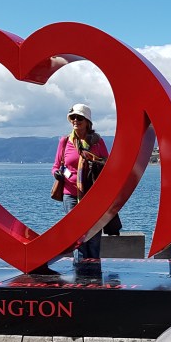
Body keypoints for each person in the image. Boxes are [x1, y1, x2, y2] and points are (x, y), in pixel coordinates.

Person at [53, 103, 109, 262]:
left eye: (79, 117)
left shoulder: (98, 142)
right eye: (73, 117)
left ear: (87, 121)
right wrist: (57, 174)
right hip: (71, 195)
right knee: (78, 237)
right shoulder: (64, 142)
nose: (75, 120)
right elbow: (56, 166)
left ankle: (94, 272)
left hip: (93, 195)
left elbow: (107, 165)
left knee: (93, 236)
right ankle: (81, 273)